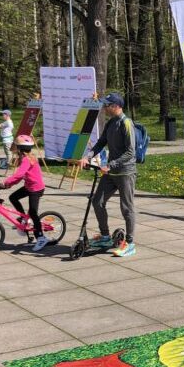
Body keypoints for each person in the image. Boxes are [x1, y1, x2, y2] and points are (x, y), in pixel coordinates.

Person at [78, 92, 137, 257]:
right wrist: (88, 156)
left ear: (116, 106)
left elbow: (130, 152)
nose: (105, 108)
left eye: (107, 105)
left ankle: (130, 244)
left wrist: (111, 165)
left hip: (125, 172)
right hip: (111, 173)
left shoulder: (126, 123)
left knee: (127, 208)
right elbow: (101, 142)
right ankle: (105, 237)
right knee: (97, 201)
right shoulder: (111, 122)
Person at [1, 134, 49, 251]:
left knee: (33, 212)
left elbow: (19, 174)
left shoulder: (27, 159)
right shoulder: (25, 158)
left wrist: (6, 182)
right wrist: (8, 185)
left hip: (36, 189)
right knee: (13, 197)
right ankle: (24, 218)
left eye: (16, 146)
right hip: (29, 187)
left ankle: (41, 238)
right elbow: (19, 177)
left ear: (19, 148)